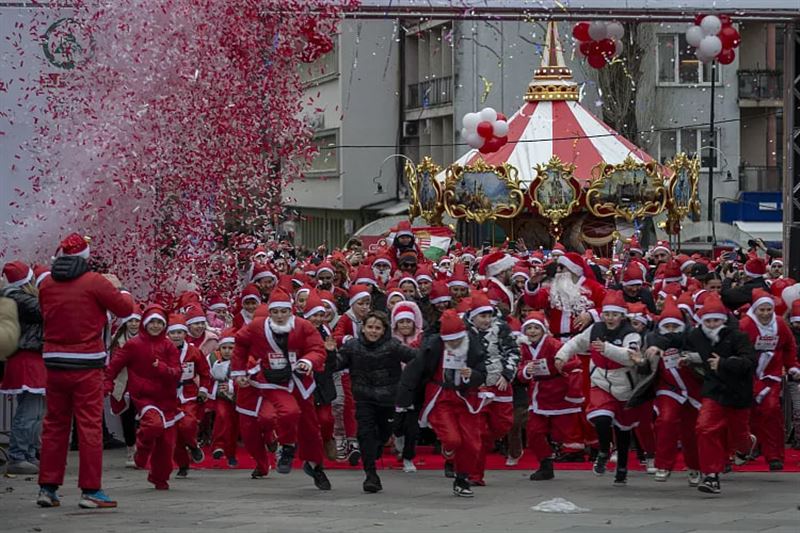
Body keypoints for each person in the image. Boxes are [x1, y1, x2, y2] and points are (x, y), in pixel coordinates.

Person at [36, 233, 133, 509]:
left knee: (54, 425)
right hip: (87, 363)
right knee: (89, 426)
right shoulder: (95, 282)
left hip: (54, 362)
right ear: (86, 257)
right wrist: (120, 287)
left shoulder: (47, 283)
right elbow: (125, 309)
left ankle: (48, 488)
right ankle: (90, 490)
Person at [231, 289, 332, 490]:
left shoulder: (303, 327)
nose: (279, 316)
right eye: (275, 312)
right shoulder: (257, 327)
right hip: (272, 381)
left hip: (299, 380)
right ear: (269, 312)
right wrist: (239, 372)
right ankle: (287, 447)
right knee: (288, 412)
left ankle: (315, 466)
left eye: (283, 312)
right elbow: (240, 345)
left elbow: (317, 349)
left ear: (291, 311)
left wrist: (307, 361)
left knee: (311, 428)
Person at [554, 290, 643, 486]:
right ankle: (603, 449)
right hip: (600, 380)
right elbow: (577, 342)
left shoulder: (631, 333)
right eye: (607, 314)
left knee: (623, 429)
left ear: (622, 315)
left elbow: (632, 357)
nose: (610, 318)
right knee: (599, 417)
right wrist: (562, 355)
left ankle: (622, 468)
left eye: (615, 314)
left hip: (624, 384)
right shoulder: (595, 329)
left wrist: (607, 349)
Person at [397, 309, 487, 497]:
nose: (453, 343)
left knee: (472, 444)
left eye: (457, 339)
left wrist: (473, 375)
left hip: (466, 397)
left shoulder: (473, 344)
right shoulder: (433, 346)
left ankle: (461, 479)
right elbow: (414, 371)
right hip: (441, 396)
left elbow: (482, 372)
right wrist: (404, 399)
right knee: (453, 439)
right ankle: (449, 447)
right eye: (450, 340)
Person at [335, 311, 417, 492]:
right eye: (370, 327)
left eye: (377, 328)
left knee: (383, 434)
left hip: (388, 399)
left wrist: (408, 381)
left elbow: (416, 358)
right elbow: (337, 363)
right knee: (365, 434)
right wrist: (329, 353)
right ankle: (370, 475)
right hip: (363, 398)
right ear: (363, 328)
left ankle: (377, 448)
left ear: (384, 330)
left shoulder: (393, 346)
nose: (373, 331)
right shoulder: (352, 346)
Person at [686, 293, 758, 495]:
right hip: (714, 389)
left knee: (738, 437)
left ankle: (746, 445)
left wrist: (724, 363)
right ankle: (711, 475)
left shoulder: (738, 336)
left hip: (738, 391)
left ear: (724, 320)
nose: (711, 324)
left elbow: (750, 362)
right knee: (705, 428)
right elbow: (674, 337)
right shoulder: (695, 335)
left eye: (716, 320)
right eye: (707, 321)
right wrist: (658, 346)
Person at [104, 305, 181, 490]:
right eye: (152, 322)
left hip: (167, 398)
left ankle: (159, 477)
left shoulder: (169, 345)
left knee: (166, 444)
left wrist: (161, 367)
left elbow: (177, 372)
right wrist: (107, 384)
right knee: (153, 425)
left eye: (159, 323)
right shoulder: (133, 344)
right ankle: (141, 449)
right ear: (145, 324)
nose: (155, 326)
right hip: (144, 397)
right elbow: (114, 366)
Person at [631, 297, 702, 485]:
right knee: (666, 421)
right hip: (668, 388)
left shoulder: (691, 338)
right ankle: (663, 464)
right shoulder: (651, 340)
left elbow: (702, 356)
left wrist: (689, 358)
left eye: (674, 326)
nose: (670, 330)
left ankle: (695, 466)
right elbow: (646, 367)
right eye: (667, 326)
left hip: (692, 390)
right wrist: (640, 362)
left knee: (690, 431)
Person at [517, 311, 584, 481]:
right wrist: (525, 371)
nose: (532, 331)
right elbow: (519, 371)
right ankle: (545, 464)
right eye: (529, 328)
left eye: (536, 328)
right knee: (533, 432)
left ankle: (583, 450)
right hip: (538, 394)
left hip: (558, 393)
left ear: (543, 329)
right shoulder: (523, 347)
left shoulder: (554, 344)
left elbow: (574, 362)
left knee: (563, 432)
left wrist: (564, 371)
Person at [738, 289, 799, 470]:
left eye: (768, 310)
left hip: (770, 377)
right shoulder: (745, 325)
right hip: (748, 377)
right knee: (749, 414)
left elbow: (789, 347)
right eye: (761, 310)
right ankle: (751, 448)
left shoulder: (780, 325)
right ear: (755, 310)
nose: (765, 314)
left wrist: (792, 366)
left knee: (771, 411)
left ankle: (774, 455)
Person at [465, 293, 520, 486]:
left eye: (489, 315)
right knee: (478, 432)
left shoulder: (501, 329)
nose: (487, 320)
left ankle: (484, 445)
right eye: (482, 316)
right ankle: (474, 475)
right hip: (477, 387)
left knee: (503, 424)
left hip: (500, 385)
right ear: (473, 317)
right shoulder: (464, 332)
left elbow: (513, 352)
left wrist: (507, 374)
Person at [1, 261, 46, 475]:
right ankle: (18, 455)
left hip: (30, 358)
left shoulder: (16, 298)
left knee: (34, 412)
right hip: (27, 358)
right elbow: (43, 310)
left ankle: (27, 453)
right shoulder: (18, 298)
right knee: (28, 412)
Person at [166, 314, 209, 478]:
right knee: (174, 435)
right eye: (173, 333)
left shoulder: (194, 352)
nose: (176, 336)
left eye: (179, 332)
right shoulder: (162, 350)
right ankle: (183, 465)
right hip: (169, 397)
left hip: (188, 395)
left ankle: (193, 446)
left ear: (185, 334)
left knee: (187, 424)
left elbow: (205, 373)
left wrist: (204, 390)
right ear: (168, 335)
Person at [390, 301, 424, 472]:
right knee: (397, 425)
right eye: (401, 322)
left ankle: (408, 457)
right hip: (395, 388)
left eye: (408, 322)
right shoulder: (390, 340)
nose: (404, 325)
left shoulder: (421, 338)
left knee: (412, 425)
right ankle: (398, 440)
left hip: (414, 388)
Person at [108, 308, 142, 467]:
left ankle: (142, 450)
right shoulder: (117, 339)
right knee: (127, 417)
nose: (134, 324)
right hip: (124, 383)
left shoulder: (148, 338)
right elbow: (114, 363)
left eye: (137, 321)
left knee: (144, 417)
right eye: (131, 321)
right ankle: (131, 447)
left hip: (143, 382)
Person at [208, 330, 239, 467]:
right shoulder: (213, 359)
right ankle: (218, 446)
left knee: (233, 425)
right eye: (224, 348)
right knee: (222, 416)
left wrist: (232, 387)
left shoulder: (242, 360)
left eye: (231, 348)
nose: (227, 351)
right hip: (221, 396)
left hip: (238, 398)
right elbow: (206, 375)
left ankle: (231, 454)